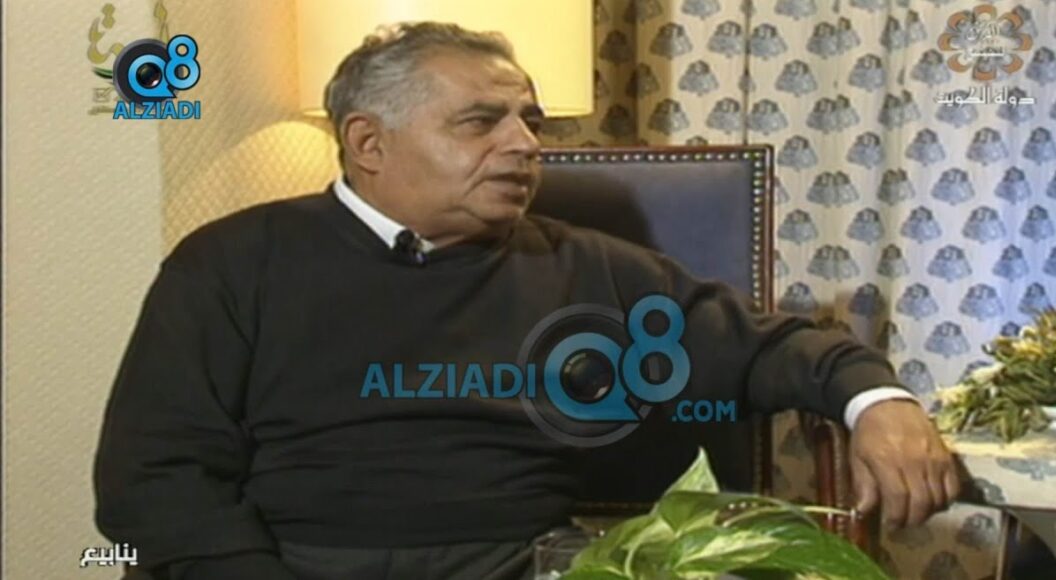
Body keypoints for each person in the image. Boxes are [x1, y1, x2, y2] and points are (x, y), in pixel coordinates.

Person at [94, 22, 959, 580]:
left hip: (521, 564)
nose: (524, 145)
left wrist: (875, 400)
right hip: (292, 561)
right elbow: (151, 479)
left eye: (530, 122)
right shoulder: (231, 264)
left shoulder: (586, 266)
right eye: (481, 122)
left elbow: (768, 347)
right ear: (368, 143)